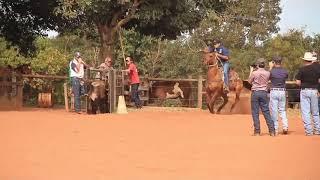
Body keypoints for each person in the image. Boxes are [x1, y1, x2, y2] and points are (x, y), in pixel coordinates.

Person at [248, 58, 276, 136]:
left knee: (255, 112)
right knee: (266, 111)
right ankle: (272, 131)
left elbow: (249, 81)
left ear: (257, 65)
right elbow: (269, 78)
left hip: (255, 93)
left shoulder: (254, 73)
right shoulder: (267, 73)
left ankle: (257, 131)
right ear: (264, 65)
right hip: (264, 92)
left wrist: (251, 70)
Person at [296, 52, 320, 136]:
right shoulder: (317, 69)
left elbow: (298, 82)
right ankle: (317, 130)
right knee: (315, 111)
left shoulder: (302, 69)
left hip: (305, 90)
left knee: (306, 111)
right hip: (314, 90)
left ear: (304, 60)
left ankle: (309, 131)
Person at [269, 56, 289, 135]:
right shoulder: (285, 71)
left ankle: (275, 129)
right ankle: (285, 126)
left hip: (274, 91)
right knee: (282, 110)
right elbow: (286, 77)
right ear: (281, 62)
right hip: (282, 91)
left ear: (274, 62)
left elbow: (268, 76)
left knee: (274, 110)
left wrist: (270, 67)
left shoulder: (271, 71)